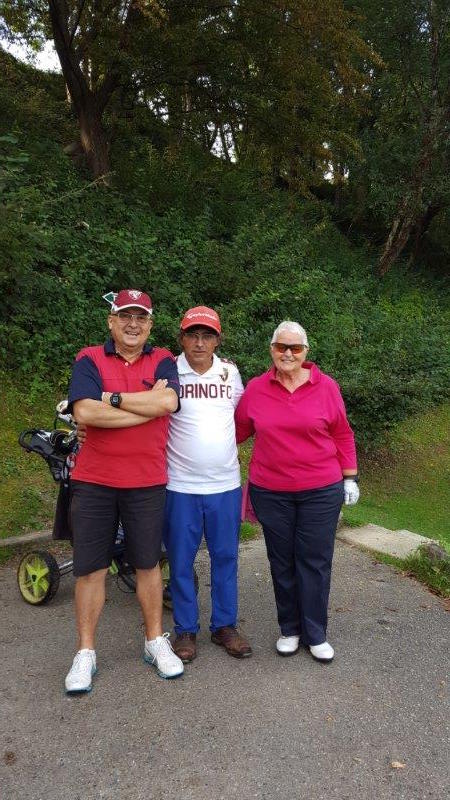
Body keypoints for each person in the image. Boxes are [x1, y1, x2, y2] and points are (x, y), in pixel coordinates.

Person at [64, 289, 184, 694]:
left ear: (150, 324)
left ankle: (154, 642)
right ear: (111, 321)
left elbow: (168, 402)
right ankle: (85, 652)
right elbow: (84, 411)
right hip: (94, 481)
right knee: (91, 569)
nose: (133, 324)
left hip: (147, 481)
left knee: (148, 564)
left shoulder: (163, 358)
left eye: (141, 317)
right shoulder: (88, 358)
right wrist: (144, 408)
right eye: (125, 316)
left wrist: (111, 400)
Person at [235, 321, 359, 663]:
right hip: (271, 491)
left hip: (320, 490)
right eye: (281, 347)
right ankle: (289, 629)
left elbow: (343, 434)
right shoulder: (257, 389)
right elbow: (236, 432)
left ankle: (316, 633)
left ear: (306, 352)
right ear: (272, 349)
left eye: (295, 348)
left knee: (314, 561)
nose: (288, 353)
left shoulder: (326, 386)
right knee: (282, 561)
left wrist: (350, 477)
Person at [163, 306, 252, 663]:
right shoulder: (168, 370)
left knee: (225, 556)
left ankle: (224, 626)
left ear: (218, 340)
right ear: (182, 338)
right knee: (181, 560)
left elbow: (241, 419)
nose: (199, 343)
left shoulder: (230, 372)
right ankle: (185, 630)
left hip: (225, 485)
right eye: (193, 335)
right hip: (180, 485)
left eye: (207, 336)